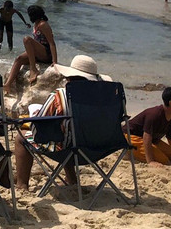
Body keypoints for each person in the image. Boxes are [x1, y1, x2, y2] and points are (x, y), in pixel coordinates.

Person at [13, 54, 112, 192]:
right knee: (68, 130)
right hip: (101, 147)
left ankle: (22, 185)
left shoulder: (61, 95)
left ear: (69, 77)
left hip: (69, 149)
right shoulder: (106, 98)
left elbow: (39, 128)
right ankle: (71, 179)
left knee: (22, 138)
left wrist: (33, 117)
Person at [126, 87, 171, 167]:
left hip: (153, 140)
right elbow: (147, 137)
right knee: (163, 160)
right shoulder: (154, 115)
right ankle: (128, 152)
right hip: (131, 136)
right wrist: (151, 161)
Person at [6, 4, 58, 90]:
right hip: (38, 53)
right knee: (18, 59)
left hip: (46, 53)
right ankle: (8, 84)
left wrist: (54, 61)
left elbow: (52, 43)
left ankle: (33, 69)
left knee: (27, 39)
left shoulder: (43, 25)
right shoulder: (36, 24)